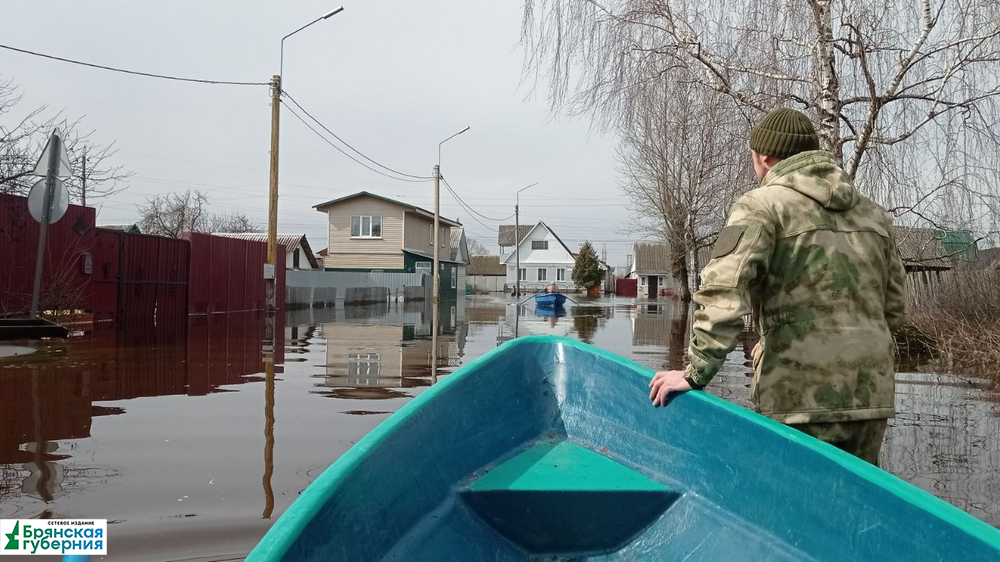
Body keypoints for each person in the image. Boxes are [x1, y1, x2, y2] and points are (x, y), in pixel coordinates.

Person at [648, 107, 907, 465]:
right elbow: (894, 308)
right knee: (854, 510)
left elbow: (723, 293)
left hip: (798, 396)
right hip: (871, 396)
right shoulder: (874, 215)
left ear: (764, 157)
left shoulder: (762, 206)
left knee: (796, 504)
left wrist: (694, 373)